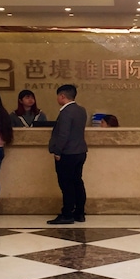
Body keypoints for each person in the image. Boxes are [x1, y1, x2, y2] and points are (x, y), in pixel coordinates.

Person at [47, 84, 88, 224]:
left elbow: (63, 135)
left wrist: (57, 151)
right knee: (77, 181)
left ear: (62, 96)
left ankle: (67, 214)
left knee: (66, 184)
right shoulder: (81, 110)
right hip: (80, 151)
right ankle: (79, 213)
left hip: (67, 153)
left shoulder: (65, 112)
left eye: (58, 96)